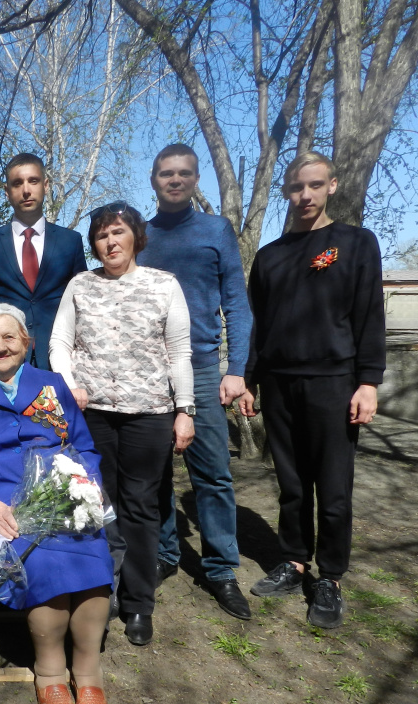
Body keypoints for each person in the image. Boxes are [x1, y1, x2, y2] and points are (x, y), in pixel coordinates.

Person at [0, 304, 114, 704]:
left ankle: (88, 674)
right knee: (41, 558)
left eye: (9, 337)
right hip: (1, 505)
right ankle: (52, 673)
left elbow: (85, 446)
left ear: (27, 342)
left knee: (93, 553)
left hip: (60, 493)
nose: (1, 346)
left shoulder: (52, 384)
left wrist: (82, 485)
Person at [240, 151, 385, 630]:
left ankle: (331, 577)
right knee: (292, 483)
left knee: (334, 487)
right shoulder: (270, 256)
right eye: (297, 187)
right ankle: (294, 560)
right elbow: (260, 326)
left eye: (315, 185)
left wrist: (368, 381)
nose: (305, 195)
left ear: (332, 186)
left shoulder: (355, 243)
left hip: (334, 382)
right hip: (280, 384)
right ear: (286, 191)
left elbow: (368, 315)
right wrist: (250, 379)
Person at [49, 203, 194, 647]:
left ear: (135, 236)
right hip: (92, 413)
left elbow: (179, 351)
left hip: (149, 414)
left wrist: (185, 409)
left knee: (140, 508)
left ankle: (138, 604)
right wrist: (69, 385)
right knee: (95, 507)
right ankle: (100, 593)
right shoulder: (81, 285)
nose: (109, 243)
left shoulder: (163, 285)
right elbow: (59, 343)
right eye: (101, 236)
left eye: (117, 233)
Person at [136, 144, 254, 621]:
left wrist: (237, 368)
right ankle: (166, 554)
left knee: (211, 474)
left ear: (196, 178)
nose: (175, 180)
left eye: (184, 173)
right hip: (148, 372)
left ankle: (221, 568)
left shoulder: (215, 231)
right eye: (167, 173)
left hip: (204, 368)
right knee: (154, 472)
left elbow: (238, 305)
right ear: (154, 179)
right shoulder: (140, 235)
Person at [0, 153, 88, 370]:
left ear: (46, 185)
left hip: (59, 362)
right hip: (3, 364)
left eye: (33, 181)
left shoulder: (70, 242)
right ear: (7, 191)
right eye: (17, 183)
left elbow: (81, 306)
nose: (26, 190)